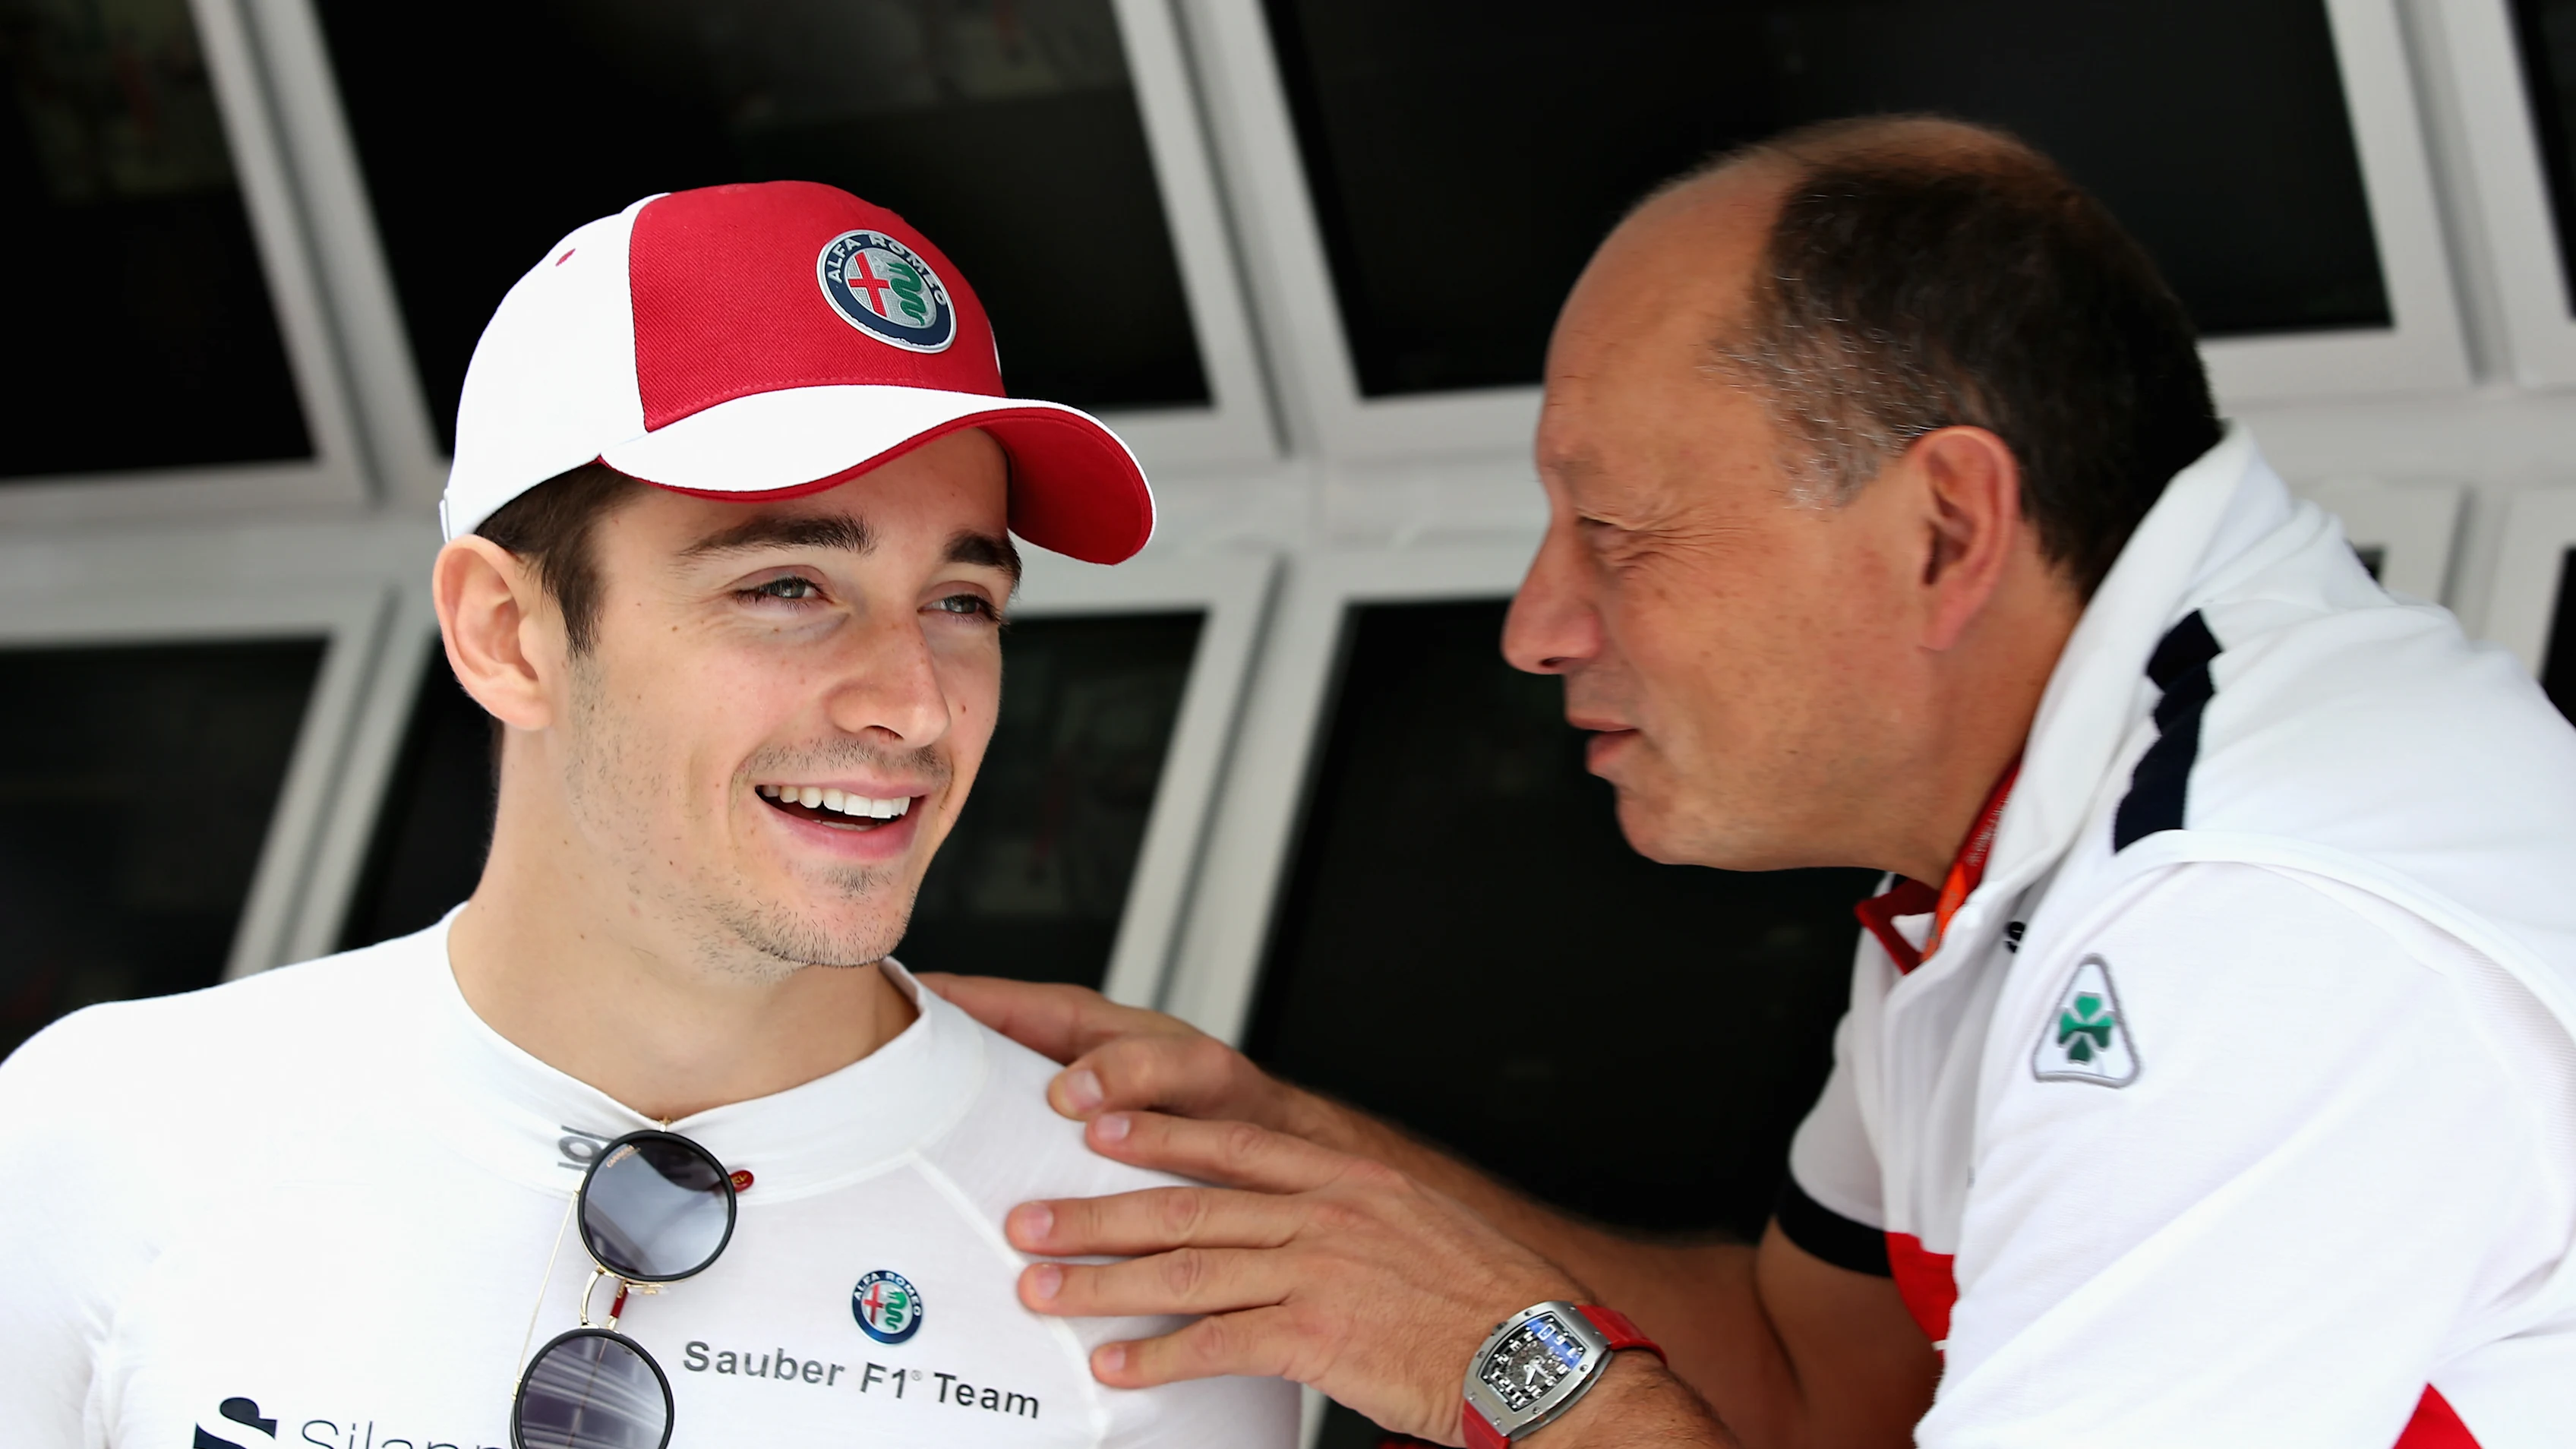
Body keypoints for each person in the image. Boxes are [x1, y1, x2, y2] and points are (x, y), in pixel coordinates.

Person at [926, 118, 2576, 1447]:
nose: (1534, 625)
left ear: (1943, 529)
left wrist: (1512, 1367)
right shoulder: (2038, 815)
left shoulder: (2249, 929)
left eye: (1619, 531)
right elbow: (1817, 1382)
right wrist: (1298, 1162)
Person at [0, 180, 1298, 1449]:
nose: (914, 704)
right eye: (789, 585)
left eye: (962, 603)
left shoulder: (1144, 1263)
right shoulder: (110, 1134)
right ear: (507, 634)